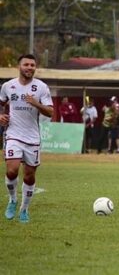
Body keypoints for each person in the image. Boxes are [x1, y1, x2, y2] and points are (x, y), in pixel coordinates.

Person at [0, 54, 53, 223]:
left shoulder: (42, 87)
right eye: (26, 64)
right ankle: (13, 200)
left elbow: (50, 112)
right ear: (19, 66)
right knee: (11, 170)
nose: (30, 67)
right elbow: (1, 103)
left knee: (29, 176)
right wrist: (0, 116)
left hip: (32, 137)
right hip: (13, 134)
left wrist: (35, 103)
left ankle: (24, 209)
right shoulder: (8, 86)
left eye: (32, 65)